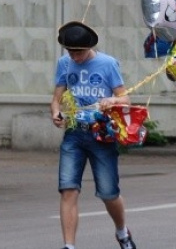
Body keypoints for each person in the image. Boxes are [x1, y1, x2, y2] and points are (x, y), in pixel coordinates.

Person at [49, 21, 138, 249]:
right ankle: (69, 246)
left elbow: (125, 98)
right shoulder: (64, 64)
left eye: (78, 52)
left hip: (102, 136)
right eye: (70, 52)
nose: (74, 57)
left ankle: (122, 233)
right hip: (74, 135)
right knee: (68, 189)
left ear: (88, 47)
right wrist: (56, 113)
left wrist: (113, 100)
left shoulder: (107, 64)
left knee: (109, 193)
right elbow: (56, 99)